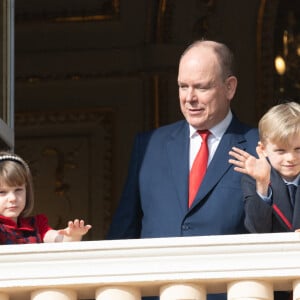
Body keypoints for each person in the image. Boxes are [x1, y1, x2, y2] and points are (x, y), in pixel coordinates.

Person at [106, 40, 259, 300]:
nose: (190, 98)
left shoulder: (258, 146)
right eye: (183, 86)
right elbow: (123, 232)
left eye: (202, 87)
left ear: (229, 87)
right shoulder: (150, 145)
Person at [229, 101, 300, 233]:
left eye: (298, 149)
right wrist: (262, 184)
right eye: (281, 151)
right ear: (263, 149)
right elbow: (257, 229)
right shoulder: (253, 180)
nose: (291, 158)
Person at [0, 151, 92, 244]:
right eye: (2, 192)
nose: (13, 198)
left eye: (18, 190)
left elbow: (58, 239)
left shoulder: (37, 225)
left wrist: (72, 236)